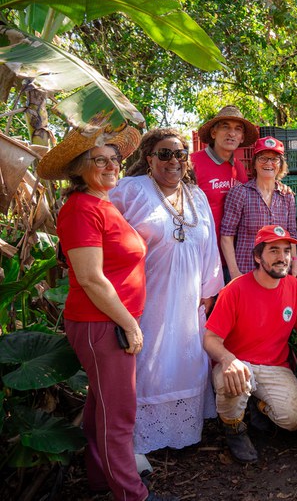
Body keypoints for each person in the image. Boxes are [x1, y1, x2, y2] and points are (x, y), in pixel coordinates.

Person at [39, 125, 177, 501]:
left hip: (108, 322)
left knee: (103, 407)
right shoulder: (80, 209)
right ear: (81, 167)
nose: (112, 165)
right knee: (119, 414)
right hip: (101, 324)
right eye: (100, 160)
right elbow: (90, 278)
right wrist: (130, 323)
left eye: (115, 159)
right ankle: (132, 495)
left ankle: (103, 479)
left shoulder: (102, 204)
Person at [112, 129, 223, 456]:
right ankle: (142, 440)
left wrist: (208, 288)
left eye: (180, 154)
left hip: (189, 297)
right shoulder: (130, 190)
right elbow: (101, 228)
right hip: (146, 296)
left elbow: (210, 245)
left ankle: (182, 434)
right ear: (149, 158)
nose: (173, 160)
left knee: (186, 358)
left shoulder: (197, 196)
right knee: (149, 362)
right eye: (164, 154)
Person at [203, 225, 297, 463]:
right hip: (237, 363)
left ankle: (257, 404)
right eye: (274, 251)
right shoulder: (235, 290)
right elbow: (210, 338)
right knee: (235, 382)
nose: (282, 258)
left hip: (275, 366)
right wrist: (229, 360)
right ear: (258, 256)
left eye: (286, 251)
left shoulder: (291, 285)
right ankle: (234, 428)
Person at [191, 105, 258, 279]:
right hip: (201, 257)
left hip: (231, 258)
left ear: (242, 137)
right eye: (225, 127)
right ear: (213, 133)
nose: (231, 133)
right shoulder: (193, 163)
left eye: (237, 129)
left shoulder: (239, 168)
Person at [221, 136, 297, 280]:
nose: (268, 163)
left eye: (274, 159)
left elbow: (291, 235)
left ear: (280, 165)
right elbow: (227, 236)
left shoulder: (287, 195)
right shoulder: (240, 193)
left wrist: (295, 265)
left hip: (278, 272)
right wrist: (234, 273)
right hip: (247, 272)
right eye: (263, 158)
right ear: (255, 164)